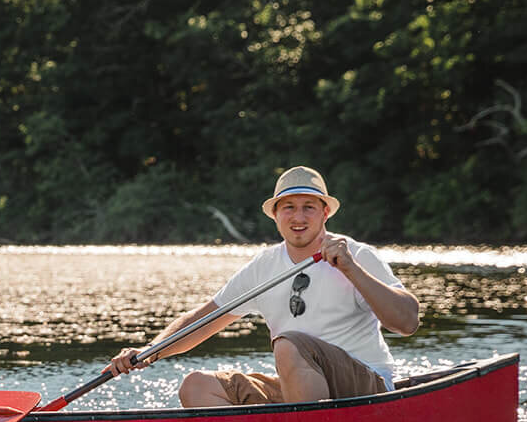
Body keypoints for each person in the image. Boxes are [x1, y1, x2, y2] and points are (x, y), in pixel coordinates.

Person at [105, 166, 420, 405]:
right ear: (275, 215)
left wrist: (351, 270)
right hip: (301, 388)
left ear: (325, 213)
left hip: (367, 390)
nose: (298, 216)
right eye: (288, 207)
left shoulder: (357, 255)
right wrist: (149, 352)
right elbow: (202, 320)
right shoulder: (264, 267)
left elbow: (407, 322)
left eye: (308, 206)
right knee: (196, 386)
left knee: (289, 344)